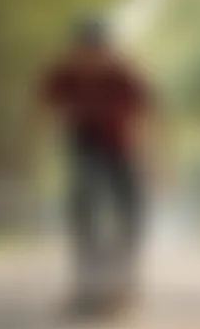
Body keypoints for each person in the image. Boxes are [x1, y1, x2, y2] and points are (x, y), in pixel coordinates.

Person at [39, 17, 158, 309]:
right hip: (84, 149)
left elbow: (149, 118)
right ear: (76, 50)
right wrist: (59, 122)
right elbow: (43, 108)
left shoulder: (127, 74)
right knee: (83, 203)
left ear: (110, 50)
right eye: (86, 51)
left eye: (99, 51)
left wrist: (156, 161)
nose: (92, 59)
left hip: (125, 149)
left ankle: (125, 274)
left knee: (132, 208)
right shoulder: (63, 74)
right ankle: (87, 278)